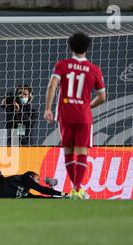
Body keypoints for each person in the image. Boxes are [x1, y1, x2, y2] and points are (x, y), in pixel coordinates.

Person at [43, 32, 106, 199]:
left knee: (69, 152)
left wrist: (48, 109)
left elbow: (52, 85)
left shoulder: (62, 65)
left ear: (71, 47)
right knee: (82, 152)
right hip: (83, 116)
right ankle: (78, 189)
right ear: (87, 48)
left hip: (65, 115)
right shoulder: (94, 69)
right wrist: (88, 106)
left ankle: (75, 188)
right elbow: (102, 97)